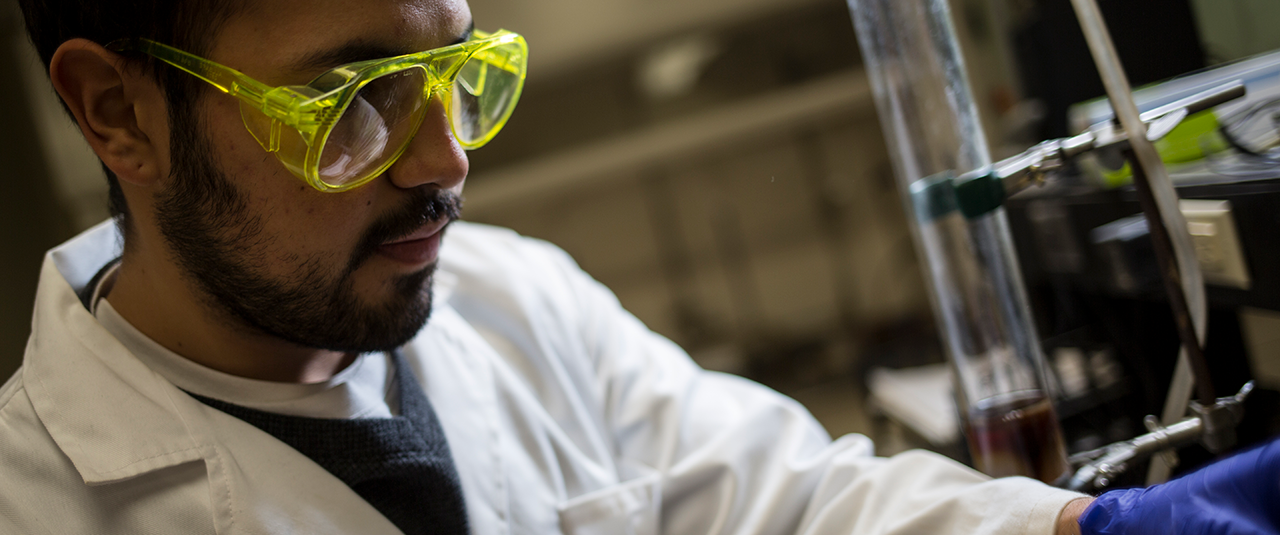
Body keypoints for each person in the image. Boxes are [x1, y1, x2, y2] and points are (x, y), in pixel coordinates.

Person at [1, 0, 1275, 533]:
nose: (443, 160)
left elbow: (780, 502)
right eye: (353, 97)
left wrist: (1110, 525)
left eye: (456, 70)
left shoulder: (510, 295)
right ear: (116, 113)